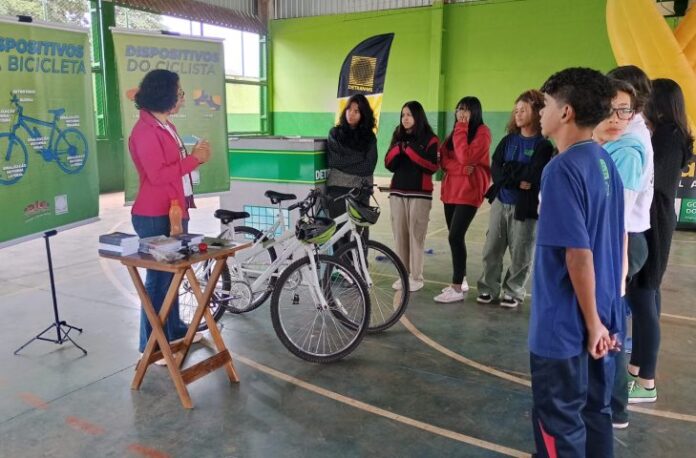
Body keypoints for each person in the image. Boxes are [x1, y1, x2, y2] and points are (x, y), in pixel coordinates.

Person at [529, 67, 624, 458]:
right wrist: (605, 318)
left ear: (565, 112)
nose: (540, 112)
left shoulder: (561, 169)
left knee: (560, 426)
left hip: (566, 328)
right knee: (595, 415)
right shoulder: (604, 163)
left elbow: (578, 254)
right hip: (603, 316)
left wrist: (590, 324)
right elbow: (617, 241)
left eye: (546, 104)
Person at [129, 69, 211, 356]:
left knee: (174, 275)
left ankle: (173, 330)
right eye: (178, 93)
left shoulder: (167, 126)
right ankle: (151, 346)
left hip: (175, 209)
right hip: (154, 214)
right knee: (158, 281)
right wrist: (193, 160)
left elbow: (176, 170)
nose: (182, 98)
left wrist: (194, 159)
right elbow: (157, 175)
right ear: (163, 95)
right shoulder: (145, 131)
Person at [627, 78, 694, 404]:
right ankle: (637, 366)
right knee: (645, 298)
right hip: (653, 220)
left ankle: (647, 381)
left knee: (644, 297)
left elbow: (653, 182)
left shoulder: (669, 137)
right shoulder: (667, 134)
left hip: (654, 223)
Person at [604, 65, 653, 427]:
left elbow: (616, 218)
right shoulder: (623, 136)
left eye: (623, 106)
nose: (617, 114)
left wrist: (616, 269)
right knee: (609, 324)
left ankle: (615, 405)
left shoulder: (629, 144)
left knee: (609, 326)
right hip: (624, 240)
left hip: (623, 241)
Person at [476, 90, 553, 308]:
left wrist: (512, 173)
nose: (518, 114)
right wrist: (516, 178)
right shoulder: (508, 140)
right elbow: (496, 168)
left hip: (525, 206)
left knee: (522, 250)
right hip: (501, 201)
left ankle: (514, 290)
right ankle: (488, 287)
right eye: (516, 110)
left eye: (524, 110)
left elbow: (534, 174)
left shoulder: (543, 145)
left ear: (536, 112)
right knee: (492, 247)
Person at [434, 97, 491, 303]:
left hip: (469, 191)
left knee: (455, 236)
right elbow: (443, 158)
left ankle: (456, 288)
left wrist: (462, 127)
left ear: (475, 112)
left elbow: (466, 156)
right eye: (459, 109)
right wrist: (459, 169)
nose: (461, 113)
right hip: (451, 190)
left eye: (466, 110)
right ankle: (463, 279)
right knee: (454, 237)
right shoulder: (454, 133)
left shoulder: (482, 132)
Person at [385, 101, 439, 292]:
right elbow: (388, 163)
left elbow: (432, 166)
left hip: (420, 195)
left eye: (409, 115)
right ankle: (403, 275)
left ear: (418, 116)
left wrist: (408, 150)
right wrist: (399, 149)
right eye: (403, 115)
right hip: (397, 193)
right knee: (400, 236)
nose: (405, 118)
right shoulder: (397, 136)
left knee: (416, 237)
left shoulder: (430, 139)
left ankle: (416, 277)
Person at [325, 94, 378, 243]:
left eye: (357, 111)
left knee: (360, 234)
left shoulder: (369, 137)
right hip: (337, 191)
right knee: (338, 234)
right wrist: (359, 157)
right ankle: (340, 265)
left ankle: (360, 266)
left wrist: (345, 160)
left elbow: (369, 166)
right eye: (349, 109)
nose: (351, 114)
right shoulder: (335, 134)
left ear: (363, 114)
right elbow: (335, 161)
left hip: (361, 191)